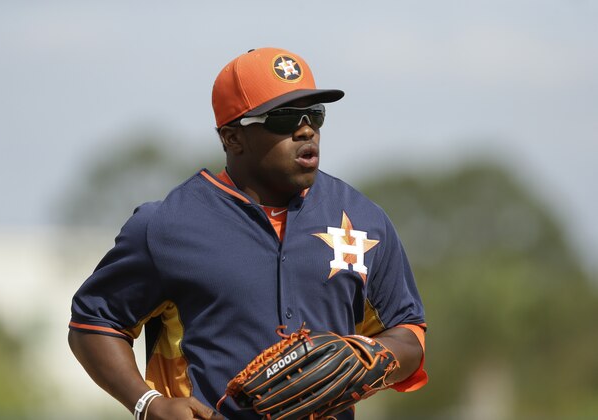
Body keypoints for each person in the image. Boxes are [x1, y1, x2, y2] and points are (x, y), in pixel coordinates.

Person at [68, 47, 427, 420]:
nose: (306, 129)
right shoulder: (167, 226)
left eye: (315, 114)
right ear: (233, 138)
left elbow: (408, 331)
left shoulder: (364, 219)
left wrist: (367, 358)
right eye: (284, 116)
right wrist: (148, 404)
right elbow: (92, 324)